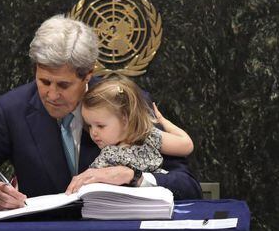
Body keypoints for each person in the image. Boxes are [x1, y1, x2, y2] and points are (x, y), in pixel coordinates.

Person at [0, 14, 201, 212]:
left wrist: (134, 176)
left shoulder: (125, 102)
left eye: (63, 85)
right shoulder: (12, 109)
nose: (51, 94)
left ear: (88, 75)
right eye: (44, 82)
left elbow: (188, 186)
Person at [66, 76, 194, 193]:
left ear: (125, 119)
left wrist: (164, 121)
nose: (93, 133)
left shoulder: (148, 136)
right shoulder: (106, 156)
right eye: (89, 126)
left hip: (157, 201)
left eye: (100, 126)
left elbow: (186, 146)